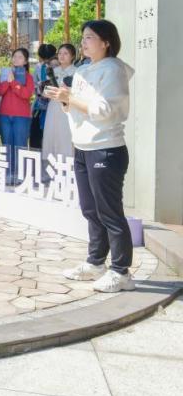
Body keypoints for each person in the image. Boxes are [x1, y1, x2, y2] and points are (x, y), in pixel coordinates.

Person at [45, 21, 135, 293]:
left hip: (106, 147)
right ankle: (96, 262)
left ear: (106, 42)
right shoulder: (83, 70)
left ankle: (121, 272)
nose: (83, 42)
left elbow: (106, 110)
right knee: (90, 209)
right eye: (83, 37)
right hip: (83, 147)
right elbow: (76, 110)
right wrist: (64, 99)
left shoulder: (114, 69)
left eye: (90, 37)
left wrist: (71, 99)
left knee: (110, 212)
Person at [0, 48, 34, 184]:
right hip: (4, 115)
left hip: (21, 116)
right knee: (6, 144)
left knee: (19, 144)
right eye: (14, 56)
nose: (16, 59)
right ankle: (8, 174)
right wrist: (8, 80)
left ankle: (20, 175)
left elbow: (26, 94)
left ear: (25, 61)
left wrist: (13, 82)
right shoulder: (4, 73)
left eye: (20, 57)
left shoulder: (28, 76)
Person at [41, 43, 77, 176]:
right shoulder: (53, 71)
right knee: (51, 136)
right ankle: (51, 172)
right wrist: (45, 91)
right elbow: (45, 91)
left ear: (73, 56)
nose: (62, 56)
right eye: (60, 53)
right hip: (53, 107)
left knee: (65, 137)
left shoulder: (77, 72)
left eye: (65, 53)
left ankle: (68, 173)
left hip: (68, 108)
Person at [30, 44, 57, 148]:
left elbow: (34, 85)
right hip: (47, 104)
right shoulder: (41, 67)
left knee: (40, 134)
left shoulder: (41, 67)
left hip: (46, 104)